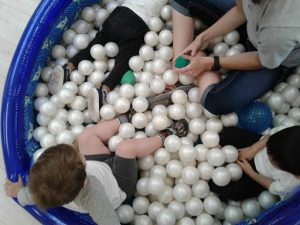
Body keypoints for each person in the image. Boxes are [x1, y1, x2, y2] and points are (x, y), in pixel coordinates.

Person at [4, 116, 188, 225]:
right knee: (126, 148)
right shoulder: (94, 196)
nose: (79, 152)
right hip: (118, 183)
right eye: (79, 156)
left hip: (99, 167)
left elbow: (31, 194)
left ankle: (125, 118)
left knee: (85, 136)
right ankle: (165, 136)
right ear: (84, 181)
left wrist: (17, 193)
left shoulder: (43, 190)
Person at [169, 0, 300, 115]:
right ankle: (181, 69)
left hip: (272, 59)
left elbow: (260, 60)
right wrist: (201, 38)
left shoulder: (282, 26)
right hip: (252, 25)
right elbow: (241, 10)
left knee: (216, 102)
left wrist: (209, 63)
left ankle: (196, 66)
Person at [48, 0, 168, 122]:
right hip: (138, 23)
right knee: (123, 63)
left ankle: (68, 67)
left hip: (119, 13)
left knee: (94, 46)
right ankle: (103, 90)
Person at [209, 125, 300, 201]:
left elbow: (272, 186)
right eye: (268, 150)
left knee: (235, 193)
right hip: (258, 146)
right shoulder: (291, 135)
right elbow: (271, 136)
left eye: (271, 159)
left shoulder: (292, 183)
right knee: (230, 134)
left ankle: (209, 180)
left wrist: (250, 172)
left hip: (260, 175)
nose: (267, 156)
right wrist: (252, 149)